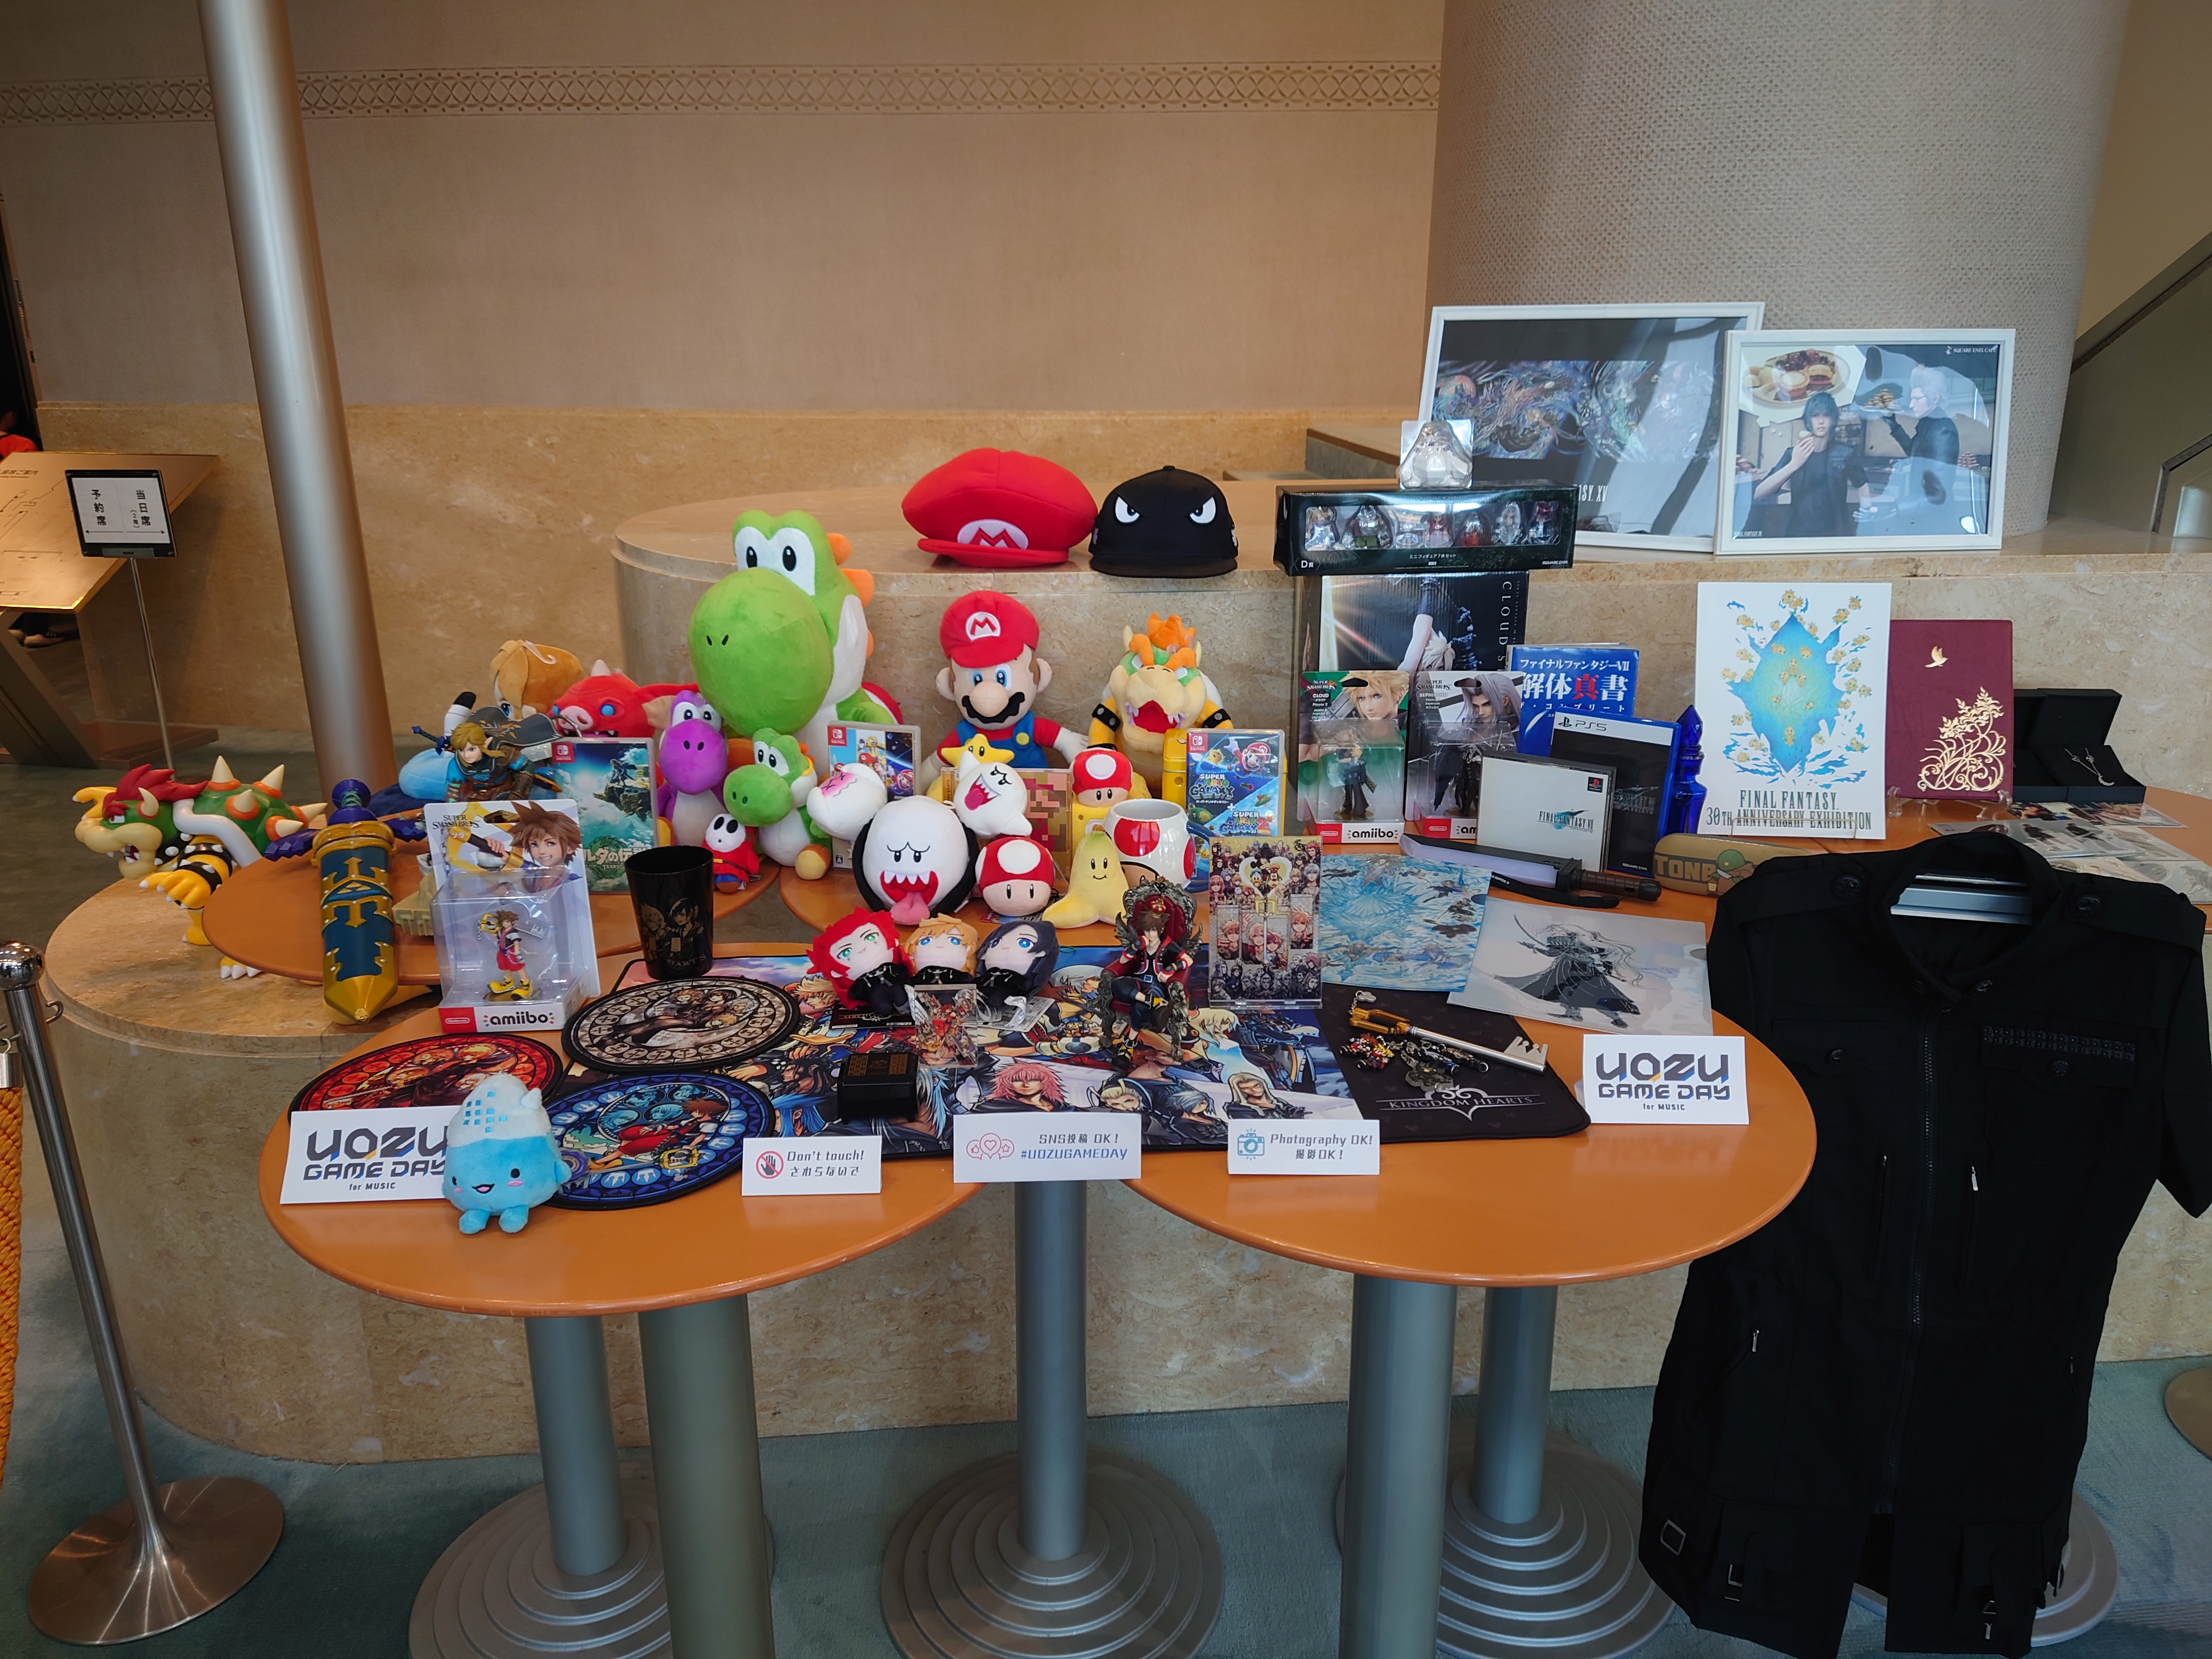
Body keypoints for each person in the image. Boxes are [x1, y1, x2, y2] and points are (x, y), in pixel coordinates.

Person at [1748, 391, 1865, 538]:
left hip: (1835, 534)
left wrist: (1866, 517)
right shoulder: (1793, 454)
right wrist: (1794, 464)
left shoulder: (1845, 452)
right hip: (1796, 534)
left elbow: (1862, 484)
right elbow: (1759, 493)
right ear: (1808, 419)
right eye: (1815, 416)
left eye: (1826, 415)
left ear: (1833, 419)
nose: (1821, 421)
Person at [1881, 365, 1961, 505]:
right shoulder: (1930, 425)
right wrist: (1892, 423)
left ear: (1935, 399)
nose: (1912, 405)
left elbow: (1937, 496)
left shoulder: (1941, 431)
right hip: (1924, 510)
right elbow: (1913, 452)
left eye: (1917, 399)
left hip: (1934, 515)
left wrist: (1895, 508)